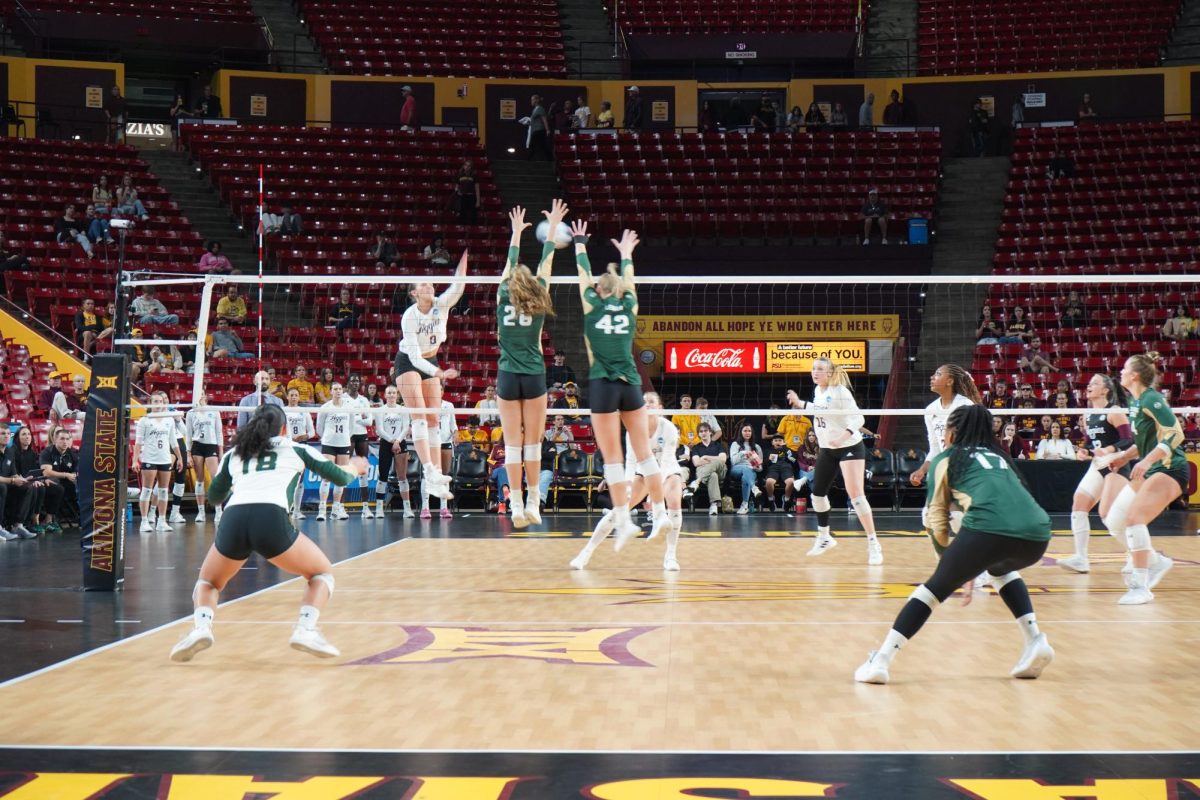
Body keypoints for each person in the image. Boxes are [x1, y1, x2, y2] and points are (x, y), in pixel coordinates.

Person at [854, 404, 1055, 685]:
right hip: (1038, 533)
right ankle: (1035, 640)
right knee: (1000, 568)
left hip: (990, 530)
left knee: (933, 589)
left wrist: (949, 564)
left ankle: (882, 659)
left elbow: (937, 518)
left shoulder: (947, 458)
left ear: (952, 433)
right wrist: (968, 565)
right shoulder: (999, 457)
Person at [169, 404, 367, 663]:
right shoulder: (296, 448)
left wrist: (241, 486)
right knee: (321, 574)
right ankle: (305, 629)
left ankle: (201, 628)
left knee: (208, 582)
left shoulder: (235, 454)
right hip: (271, 518)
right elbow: (340, 477)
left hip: (235, 517)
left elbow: (215, 497)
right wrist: (356, 466)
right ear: (284, 429)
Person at [570, 218, 669, 548]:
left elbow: (583, 274)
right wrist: (627, 253)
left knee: (613, 458)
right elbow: (630, 282)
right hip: (630, 384)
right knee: (645, 454)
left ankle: (624, 521)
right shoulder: (629, 306)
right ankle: (660, 512)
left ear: (599, 290)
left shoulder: (591, 304)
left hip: (603, 383)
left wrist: (580, 242)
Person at [495, 201, 561, 526]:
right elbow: (546, 263)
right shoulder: (539, 298)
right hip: (534, 374)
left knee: (512, 445)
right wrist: (550, 232)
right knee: (533, 444)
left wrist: (516, 235)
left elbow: (510, 266)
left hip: (507, 375)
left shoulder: (502, 294)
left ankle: (516, 505)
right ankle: (534, 500)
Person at [1100, 353, 1186, 605]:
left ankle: (1141, 586)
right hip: (1150, 468)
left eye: (1125, 368)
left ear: (1135, 375)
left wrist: (1147, 460)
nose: (1122, 372)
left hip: (1170, 468)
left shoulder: (1152, 398)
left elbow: (1175, 433)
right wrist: (1126, 457)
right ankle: (1155, 561)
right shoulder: (1135, 402)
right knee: (1114, 520)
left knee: (1134, 519)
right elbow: (1142, 441)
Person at [571, 392, 685, 571]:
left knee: (674, 503)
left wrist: (655, 496)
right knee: (619, 510)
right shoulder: (634, 429)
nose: (647, 404)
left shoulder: (668, 428)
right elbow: (631, 462)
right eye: (644, 402)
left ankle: (670, 556)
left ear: (660, 408)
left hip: (667, 471)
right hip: (642, 472)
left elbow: (664, 463)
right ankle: (586, 552)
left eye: (651, 402)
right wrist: (629, 485)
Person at [785, 356, 882, 565]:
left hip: (849, 447)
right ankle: (824, 537)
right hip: (828, 449)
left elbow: (859, 419)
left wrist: (842, 437)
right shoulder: (818, 391)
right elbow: (822, 414)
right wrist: (803, 405)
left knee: (856, 496)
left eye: (820, 369)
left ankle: (873, 543)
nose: (815, 372)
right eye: (813, 369)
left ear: (830, 373)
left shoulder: (840, 392)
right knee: (817, 495)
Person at [393, 250, 467, 505]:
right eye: (422, 283)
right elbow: (414, 359)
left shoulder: (441, 305)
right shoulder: (409, 317)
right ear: (414, 293)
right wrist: (438, 372)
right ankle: (430, 470)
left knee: (434, 418)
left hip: (432, 359)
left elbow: (457, 289)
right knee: (420, 414)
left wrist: (462, 268)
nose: (429, 285)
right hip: (408, 361)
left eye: (431, 282)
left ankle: (436, 478)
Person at [1057, 373, 1133, 575]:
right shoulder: (1088, 414)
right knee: (1078, 505)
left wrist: (1108, 450)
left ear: (1105, 390)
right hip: (1097, 464)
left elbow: (1129, 440)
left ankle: (1137, 554)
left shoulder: (1115, 411)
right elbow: (1091, 444)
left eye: (1094, 383)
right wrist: (1084, 451)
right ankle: (1081, 558)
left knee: (1110, 516)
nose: (1089, 386)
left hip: (1115, 464)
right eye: (1089, 383)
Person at [909, 365, 982, 532]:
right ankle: (943, 555)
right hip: (943, 464)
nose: (932, 377)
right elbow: (935, 448)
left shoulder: (965, 406)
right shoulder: (930, 410)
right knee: (928, 517)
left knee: (955, 517)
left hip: (964, 464)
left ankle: (968, 550)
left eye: (938, 374)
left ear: (950, 381)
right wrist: (922, 470)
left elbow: (972, 443)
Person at [133, 392, 183, 534]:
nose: (157, 403)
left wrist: (179, 457)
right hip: (149, 458)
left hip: (165, 459)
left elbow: (173, 441)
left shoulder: (169, 420)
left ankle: (161, 521)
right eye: (155, 401)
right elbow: (138, 442)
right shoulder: (145, 420)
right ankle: (144, 521)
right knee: (147, 490)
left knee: (163, 490)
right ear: (150, 403)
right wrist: (135, 459)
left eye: (160, 401)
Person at [314, 382, 357, 522]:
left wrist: (344, 438)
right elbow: (319, 427)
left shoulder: (348, 407)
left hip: (343, 443)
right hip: (329, 443)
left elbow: (351, 426)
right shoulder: (325, 407)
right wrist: (327, 437)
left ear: (342, 391)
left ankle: (336, 509)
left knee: (340, 477)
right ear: (331, 391)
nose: (338, 391)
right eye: (335, 389)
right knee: (326, 477)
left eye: (340, 389)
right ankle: (322, 510)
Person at [373, 385, 414, 518]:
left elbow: (406, 426)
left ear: (397, 395)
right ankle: (379, 508)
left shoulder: (403, 409)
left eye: (393, 393)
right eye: (389, 393)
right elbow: (379, 429)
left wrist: (397, 441)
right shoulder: (380, 410)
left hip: (400, 442)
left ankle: (407, 508)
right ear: (385, 395)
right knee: (383, 476)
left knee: (402, 476)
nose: (391, 395)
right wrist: (392, 441)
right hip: (386, 443)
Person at [186, 391, 224, 525]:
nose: (200, 396)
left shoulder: (213, 411)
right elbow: (188, 434)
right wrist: (188, 453)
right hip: (197, 446)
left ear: (205, 396)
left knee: (215, 478)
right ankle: (201, 511)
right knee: (200, 479)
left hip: (211, 445)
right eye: (198, 394)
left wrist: (220, 450)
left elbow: (219, 432)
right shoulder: (191, 412)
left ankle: (218, 510)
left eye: (202, 393)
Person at [10, 427, 56, 535]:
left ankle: (36, 520)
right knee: (35, 487)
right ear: (17, 437)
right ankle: (26, 522)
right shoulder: (12, 451)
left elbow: (36, 471)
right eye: (24, 434)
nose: (27, 437)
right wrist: (30, 480)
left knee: (52, 487)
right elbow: (14, 472)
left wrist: (42, 479)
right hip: (16, 481)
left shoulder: (32, 453)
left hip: (28, 480)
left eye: (29, 434)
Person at [342, 373, 375, 518]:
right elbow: (343, 418)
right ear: (348, 383)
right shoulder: (343, 398)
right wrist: (359, 417)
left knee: (363, 470)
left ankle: (365, 508)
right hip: (347, 436)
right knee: (343, 470)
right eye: (353, 381)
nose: (355, 383)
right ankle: (340, 506)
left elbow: (369, 422)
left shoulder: (364, 400)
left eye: (357, 381)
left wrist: (355, 419)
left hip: (361, 435)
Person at [282, 388, 315, 517]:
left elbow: (312, 432)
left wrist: (305, 436)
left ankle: (297, 510)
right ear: (288, 397)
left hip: (301, 446)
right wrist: (289, 439)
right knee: (287, 478)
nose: (294, 397)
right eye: (292, 395)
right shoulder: (283, 411)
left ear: (299, 397)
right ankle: (285, 509)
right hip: (287, 446)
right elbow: (280, 430)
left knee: (300, 479)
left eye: (296, 395)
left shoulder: (304, 411)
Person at [0, 427, 38, 540]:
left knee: (28, 487)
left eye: (8, 433)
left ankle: (18, 525)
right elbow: (10, 479)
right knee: (2, 488)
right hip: (3, 485)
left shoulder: (9, 452)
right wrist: (12, 480)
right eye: (2, 433)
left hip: (6, 484)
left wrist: (24, 480)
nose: (6, 436)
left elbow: (13, 473)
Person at [38, 428, 79, 527]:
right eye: (62, 439)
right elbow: (46, 472)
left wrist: (75, 474)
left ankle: (82, 517)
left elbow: (78, 470)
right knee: (56, 485)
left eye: (67, 439)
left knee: (82, 485)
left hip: (67, 481)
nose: (65, 442)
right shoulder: (47, 452)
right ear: (55, 439)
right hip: (49, 480)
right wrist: (66, 475)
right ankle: (49, 519)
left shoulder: (72, 453)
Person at [688, 422, 727, 516]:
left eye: (705, 431)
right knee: (713, 475)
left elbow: (723, 459)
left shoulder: (718, 445)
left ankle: (697, 481)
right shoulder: (696, 448)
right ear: (699, 434)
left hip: (720, 470)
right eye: (701, 431)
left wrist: (705, 457)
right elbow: (696, 463)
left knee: (718, 463)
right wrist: (713, 459)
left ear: (710, 432)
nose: (703, 433)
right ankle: (713, 505)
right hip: (705, 473)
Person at [729, 424, 763, 514]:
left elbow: (760, 467)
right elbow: (733, 461)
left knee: (745, 478)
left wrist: (757, 467)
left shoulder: (757, 447)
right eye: (745, 431)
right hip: (736, 469)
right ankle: (754, 487)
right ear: (741, 432)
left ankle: (744, 505)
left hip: (751, 470)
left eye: (749, 431)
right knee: (746, 468)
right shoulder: (735, 444)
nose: (747, 433)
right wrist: (743, 453)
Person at [763, 431, 798, 511]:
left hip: (786, 468)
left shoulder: (788, 450)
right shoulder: (768, 451)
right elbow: (763, 465)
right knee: (768, 482)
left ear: (783, 442)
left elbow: (794, 461)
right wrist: (768, 460)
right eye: (775, 440)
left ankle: (786, 500)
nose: (778, 442)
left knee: (790, 482)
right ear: (772, 442)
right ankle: (771, 500)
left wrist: (785, 448)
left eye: (780, 440)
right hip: (773, 469)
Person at [524, 95, 551, 161]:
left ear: (536, 100)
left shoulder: (540, 109)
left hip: (539, 130)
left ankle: (528, 160)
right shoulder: (534, 109)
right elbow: (534, 120)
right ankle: (550, 159)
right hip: (535, 130)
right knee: (543, 146)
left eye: (532, 100)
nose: (531, 101)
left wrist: (547, 129)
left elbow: (544, 119)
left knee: (532, 145)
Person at [454, 160, 482, 224]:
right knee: (462, 216)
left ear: (471, 167)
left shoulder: (474, 176)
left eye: (469, 166)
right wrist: (458, 191)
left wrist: (478, 201)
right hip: (462, 197)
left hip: (471, 197)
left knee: (471, 216)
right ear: (463, 166)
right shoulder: (459, 175)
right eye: (466, 165)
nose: (467, 167)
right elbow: (456, 187)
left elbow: (477, 189)